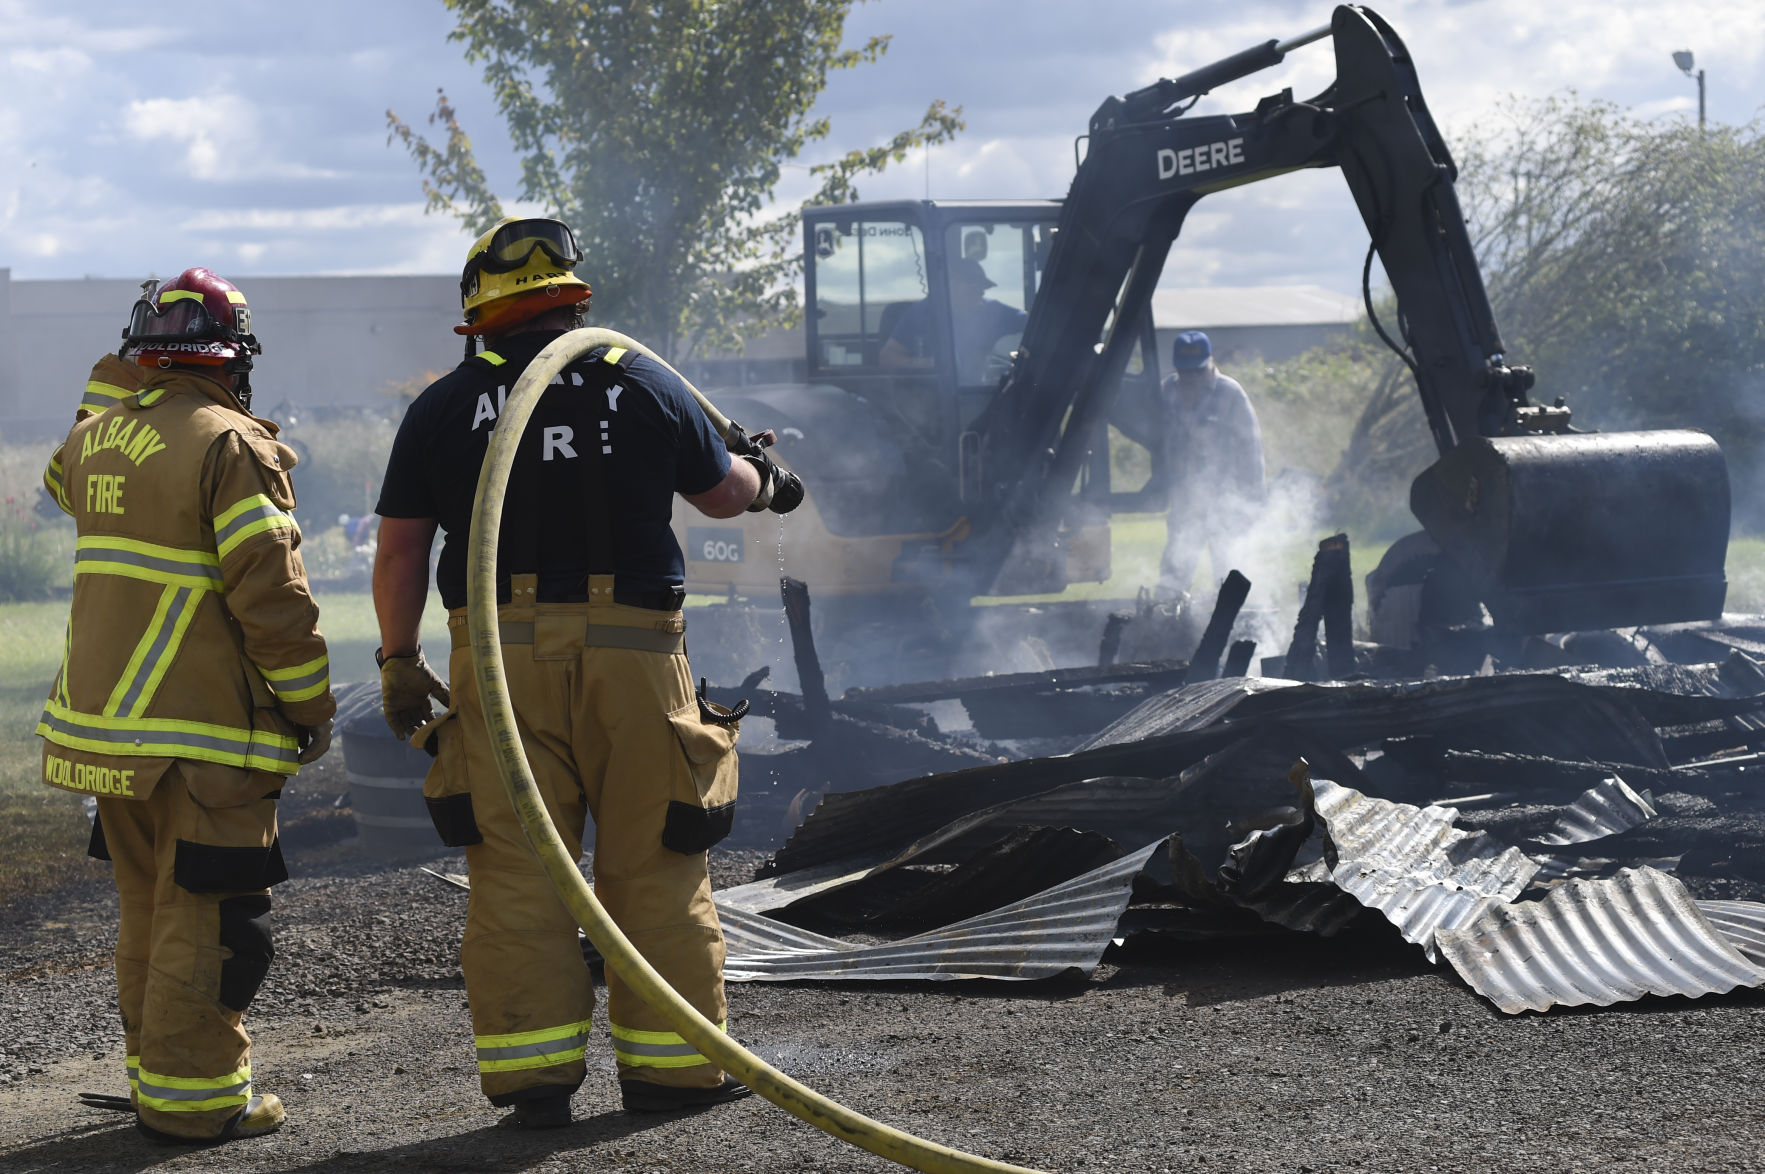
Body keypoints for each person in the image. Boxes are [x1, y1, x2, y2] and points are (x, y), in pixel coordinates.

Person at [371, 217, 802, 1129]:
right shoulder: (640, 381)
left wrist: (399, 658)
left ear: (479, 315)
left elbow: (402, 551)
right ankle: (674, 1072)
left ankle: (533, 1083)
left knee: (519, 870)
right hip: (634, 654)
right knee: (655, 859)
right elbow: (726, 495)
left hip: (495, 658)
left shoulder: (444, 406)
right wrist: (768, 475)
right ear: (574, 302)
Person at [38, 268, 335, 1144]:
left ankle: (155, 1084)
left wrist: (112, 381)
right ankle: (197, 1105)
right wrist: (309, 703)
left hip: (110, 740)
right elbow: (272, 599)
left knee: (150, 909)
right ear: (235, 354)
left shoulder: (94, 441)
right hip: (202, 739)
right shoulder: (230, 443)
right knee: (208, 920)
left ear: (142, 350)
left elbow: (65, 478)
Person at [1156, 330, 1266, 598]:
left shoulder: (1231, 394)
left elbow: (1251, 450)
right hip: (1185, 502)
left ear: (1210, 363)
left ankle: (1236, 626)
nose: (1191, 379)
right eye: (1185, 372)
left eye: (1197, 371)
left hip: (1227, 503)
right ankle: (1164, 626)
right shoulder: (1166, 391)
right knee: (1174, 574)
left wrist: (1254, 501)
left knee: (1229, 573)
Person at [879, 256, 1027, 384]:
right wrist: (925, 363)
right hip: (928, 397)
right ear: (951, 285)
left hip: (977, 394)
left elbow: (1030, 321)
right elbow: (887, 358)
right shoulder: (920, 314)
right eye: (971, 289)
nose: (977, 296)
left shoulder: (991, 311)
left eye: (981, 291)